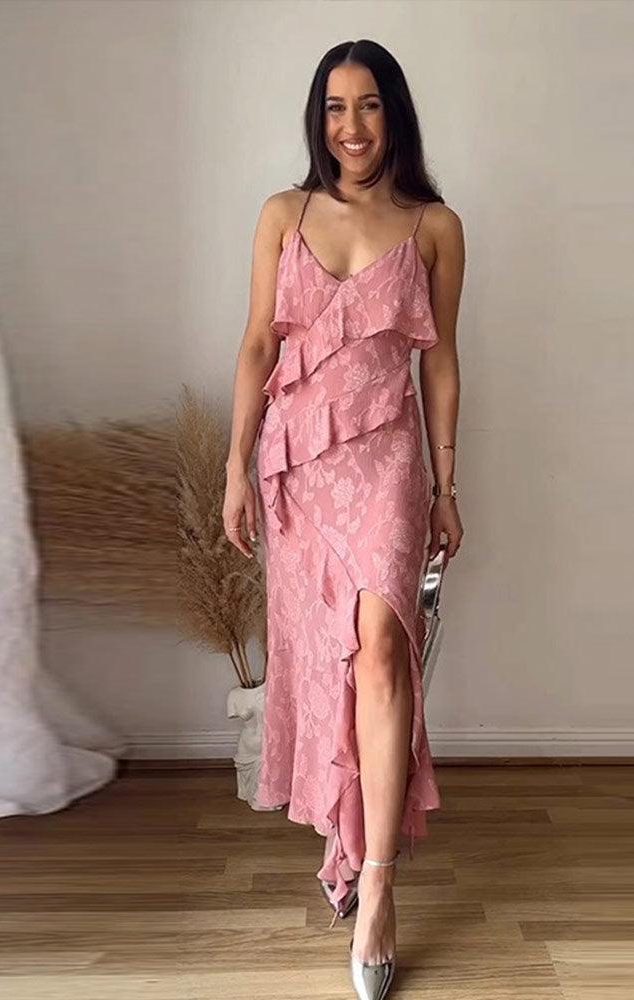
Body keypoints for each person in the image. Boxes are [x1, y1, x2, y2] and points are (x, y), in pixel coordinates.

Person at [223, 38, 465, 1000]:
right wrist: (235, 467)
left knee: (382, 650)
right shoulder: (282, 215)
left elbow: (441, 360)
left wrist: (447, 484)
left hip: (389, 458)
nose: (351, 126)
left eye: (368, 105)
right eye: (334, 106)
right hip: (298, 466)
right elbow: (255, 345)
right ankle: (348, 841)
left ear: (393, 113)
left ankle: (378, 889)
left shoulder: (435, 226)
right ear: (317, 117)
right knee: (330, 659)